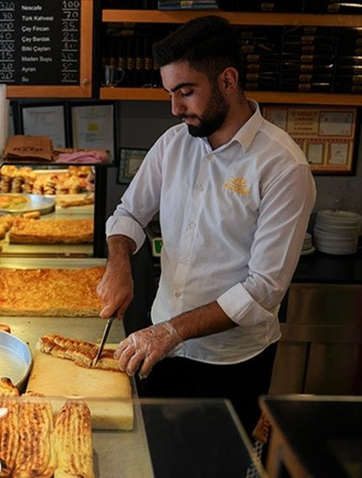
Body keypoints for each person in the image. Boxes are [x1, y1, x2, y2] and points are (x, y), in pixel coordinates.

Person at [97, 15, 316, 435]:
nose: (175, 108)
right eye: (170, 93)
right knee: (156, 456)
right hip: (161, 347)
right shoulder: (174, 144)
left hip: (231, 364)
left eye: (186, 92)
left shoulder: (283, 167)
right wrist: (119, 262)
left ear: (228, 81)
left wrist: (170, 331)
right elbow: (128, 213)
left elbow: (262, 291)